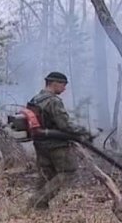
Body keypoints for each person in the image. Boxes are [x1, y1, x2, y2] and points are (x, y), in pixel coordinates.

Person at [26, 71, 93, 210]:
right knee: (69, 171)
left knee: (46, 174)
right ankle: (37, 201)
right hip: (56, 145)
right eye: (63, 84)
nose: (64, 88)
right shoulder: (54, 101)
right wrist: (85, 131)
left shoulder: (35, 99)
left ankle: (38, 208)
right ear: (54, 83)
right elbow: (65, 125)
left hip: (40, 143)